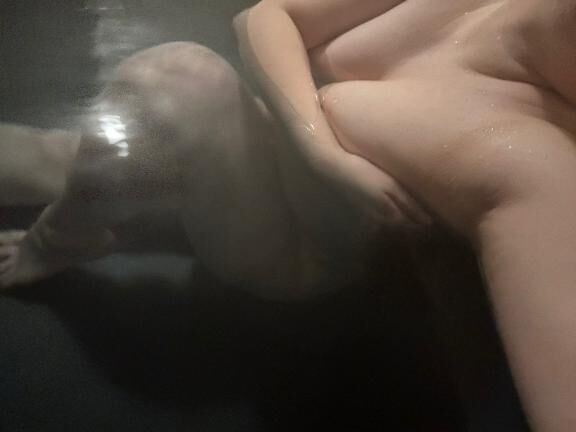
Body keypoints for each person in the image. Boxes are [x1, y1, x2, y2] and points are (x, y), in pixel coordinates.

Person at [1, 0, 575, 429]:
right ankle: (109, 181)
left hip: (302, 249)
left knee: (169, 83)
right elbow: (267, 15)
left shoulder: (535, 165)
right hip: (264, 136)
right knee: (115, 133)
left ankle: (59, 236)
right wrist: (322, 149)